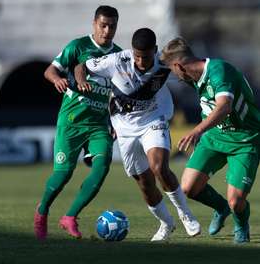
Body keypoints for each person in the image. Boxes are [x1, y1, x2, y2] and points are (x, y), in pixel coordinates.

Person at [75, 28, 201, 241]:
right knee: (144, 182)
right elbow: (81, 67)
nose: (141, 61)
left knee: (159, 167)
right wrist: (80, 81)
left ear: (155, 50)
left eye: (146, 56)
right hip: (124, 129)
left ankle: (186, 214)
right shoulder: (116, 61)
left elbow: (191, 69)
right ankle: (165, 223)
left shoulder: (164, 64)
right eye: (137, 56)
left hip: (154, 120)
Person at [160, 37, 260, 243]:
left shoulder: (219, 71)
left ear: (179, 65)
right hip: (214, 137)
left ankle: (241, 224)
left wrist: (196, 131)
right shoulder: (193, 76)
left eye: (173, 70)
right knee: (187, 188)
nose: (175, 76)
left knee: (237, 201)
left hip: (245, 140)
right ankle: (221, 208)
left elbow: (224, 107)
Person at [34, 5, 122, 240]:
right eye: (103, 25)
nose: (107, 30)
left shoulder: (119, 55)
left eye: (112, 26)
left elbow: (118, 93)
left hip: (98, 125)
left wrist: (114, 121)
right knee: (63, 175)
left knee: (102, 167)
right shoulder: (78, 46)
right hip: (72, 122)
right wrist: (57, 80)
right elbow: (49, 71)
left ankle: (70, 216)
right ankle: (42, 211)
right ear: (94, 24)